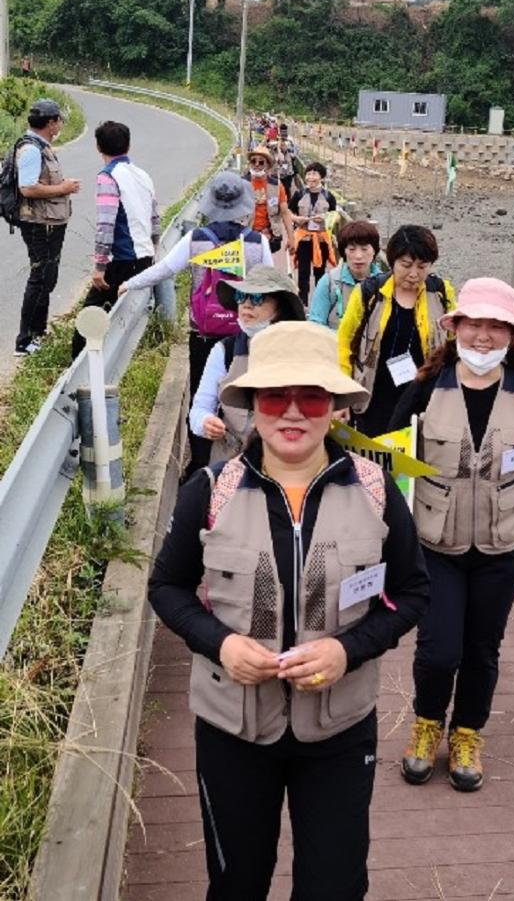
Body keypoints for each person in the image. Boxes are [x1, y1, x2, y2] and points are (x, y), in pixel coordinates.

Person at [148, 321, 430, 901]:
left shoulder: (378, 490)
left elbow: (412, 593)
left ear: (336, 408)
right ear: (253, 405)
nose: (294, 412)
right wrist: (220, 643)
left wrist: (347, 649)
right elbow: (167, 588)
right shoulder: (210, 489)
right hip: (233, 728)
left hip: (340, 730)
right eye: (276, 396)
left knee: (335, 884)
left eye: (313, 396)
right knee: (235, 882)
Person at [391, 277, 514, 792]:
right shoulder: (424, 388)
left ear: (512, 334)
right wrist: (392, 544)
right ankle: (425, 725)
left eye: (495, 326)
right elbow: (396, 467)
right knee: (439, 648)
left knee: (483, 648)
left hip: (504, 547)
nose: (483, 337)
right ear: (455, 327)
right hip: (433, 544)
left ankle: (468, 733)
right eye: (474, 324)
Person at [119, 171, 271, 472]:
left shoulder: (197, 239)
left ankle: (202, 462)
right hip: (247, 336)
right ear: (244, 206)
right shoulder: (257, 243)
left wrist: (129, 283)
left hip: (204, 333)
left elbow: (164, 269)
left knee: (204, 397)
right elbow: (273, 286)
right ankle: (246, 458)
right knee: (247, 397)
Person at [337, 224, 455, 438]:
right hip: (374, 396)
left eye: (422, 266)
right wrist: (342, 397)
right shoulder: (369, 293)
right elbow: (344, 344)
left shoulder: (441, 293)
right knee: (376, 460)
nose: (414, 274)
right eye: (406, 265)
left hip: (423, 398)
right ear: (392, 261)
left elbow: (455, 344)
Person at [190, 265, 305, 463]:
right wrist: (206, 422)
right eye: (241, 296)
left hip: (286, 462)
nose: (246, 305)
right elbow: (200, 407)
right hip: (231, 463)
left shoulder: (300, 350)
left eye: (257, 298)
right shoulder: (224, 351)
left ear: (280, 307)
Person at [71, 120, 160, 359]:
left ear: (98, 147)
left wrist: (99, 266)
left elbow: (105, 224)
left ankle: (76, 372)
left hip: (121, 258)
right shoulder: (143, 175)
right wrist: (153, 251)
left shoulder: (108, 177)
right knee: (127, 316)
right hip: (144, 257)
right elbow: (155, 219)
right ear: (128, 145)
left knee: (89, 317)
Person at [14, 98, 80, 357]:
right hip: (39, 225)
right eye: (59, 120)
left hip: (50, 222)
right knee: (40, 278)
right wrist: (63, 188)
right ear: (51, 123)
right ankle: (24, 340)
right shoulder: (31, 149)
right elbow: (27, 187)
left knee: (48, 278)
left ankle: (38, 332)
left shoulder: (43, 146)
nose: (61, 124)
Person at [308, 220, 383, 330]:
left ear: (374, 251)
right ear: (344, 252)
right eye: (352, 249)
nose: (358, 256)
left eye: (364, 249)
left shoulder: (385, 284)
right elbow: (316, 324)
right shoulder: (329, 282)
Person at [289, 161, 337, 307]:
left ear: (321, 177)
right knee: (303, 272)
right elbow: (289, 212)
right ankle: (302, 303)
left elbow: (334, 216)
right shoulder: (299, 194)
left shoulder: (329, 196)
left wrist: (325, 218)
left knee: (320, 272)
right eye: (308, 174)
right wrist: (297, 219)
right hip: (304, 238)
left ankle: (320, 302)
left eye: (314, 174)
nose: (310, 177)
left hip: (321, 239)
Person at [244, 144, 293, 254]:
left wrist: (291, 238)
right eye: (253, 161)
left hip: (269, 236)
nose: (256, 165)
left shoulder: (276, 186)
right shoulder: (241, 184)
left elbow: (285, 213)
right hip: (246, 235)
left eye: (261, 162)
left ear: (268, 165)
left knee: (265, 269)